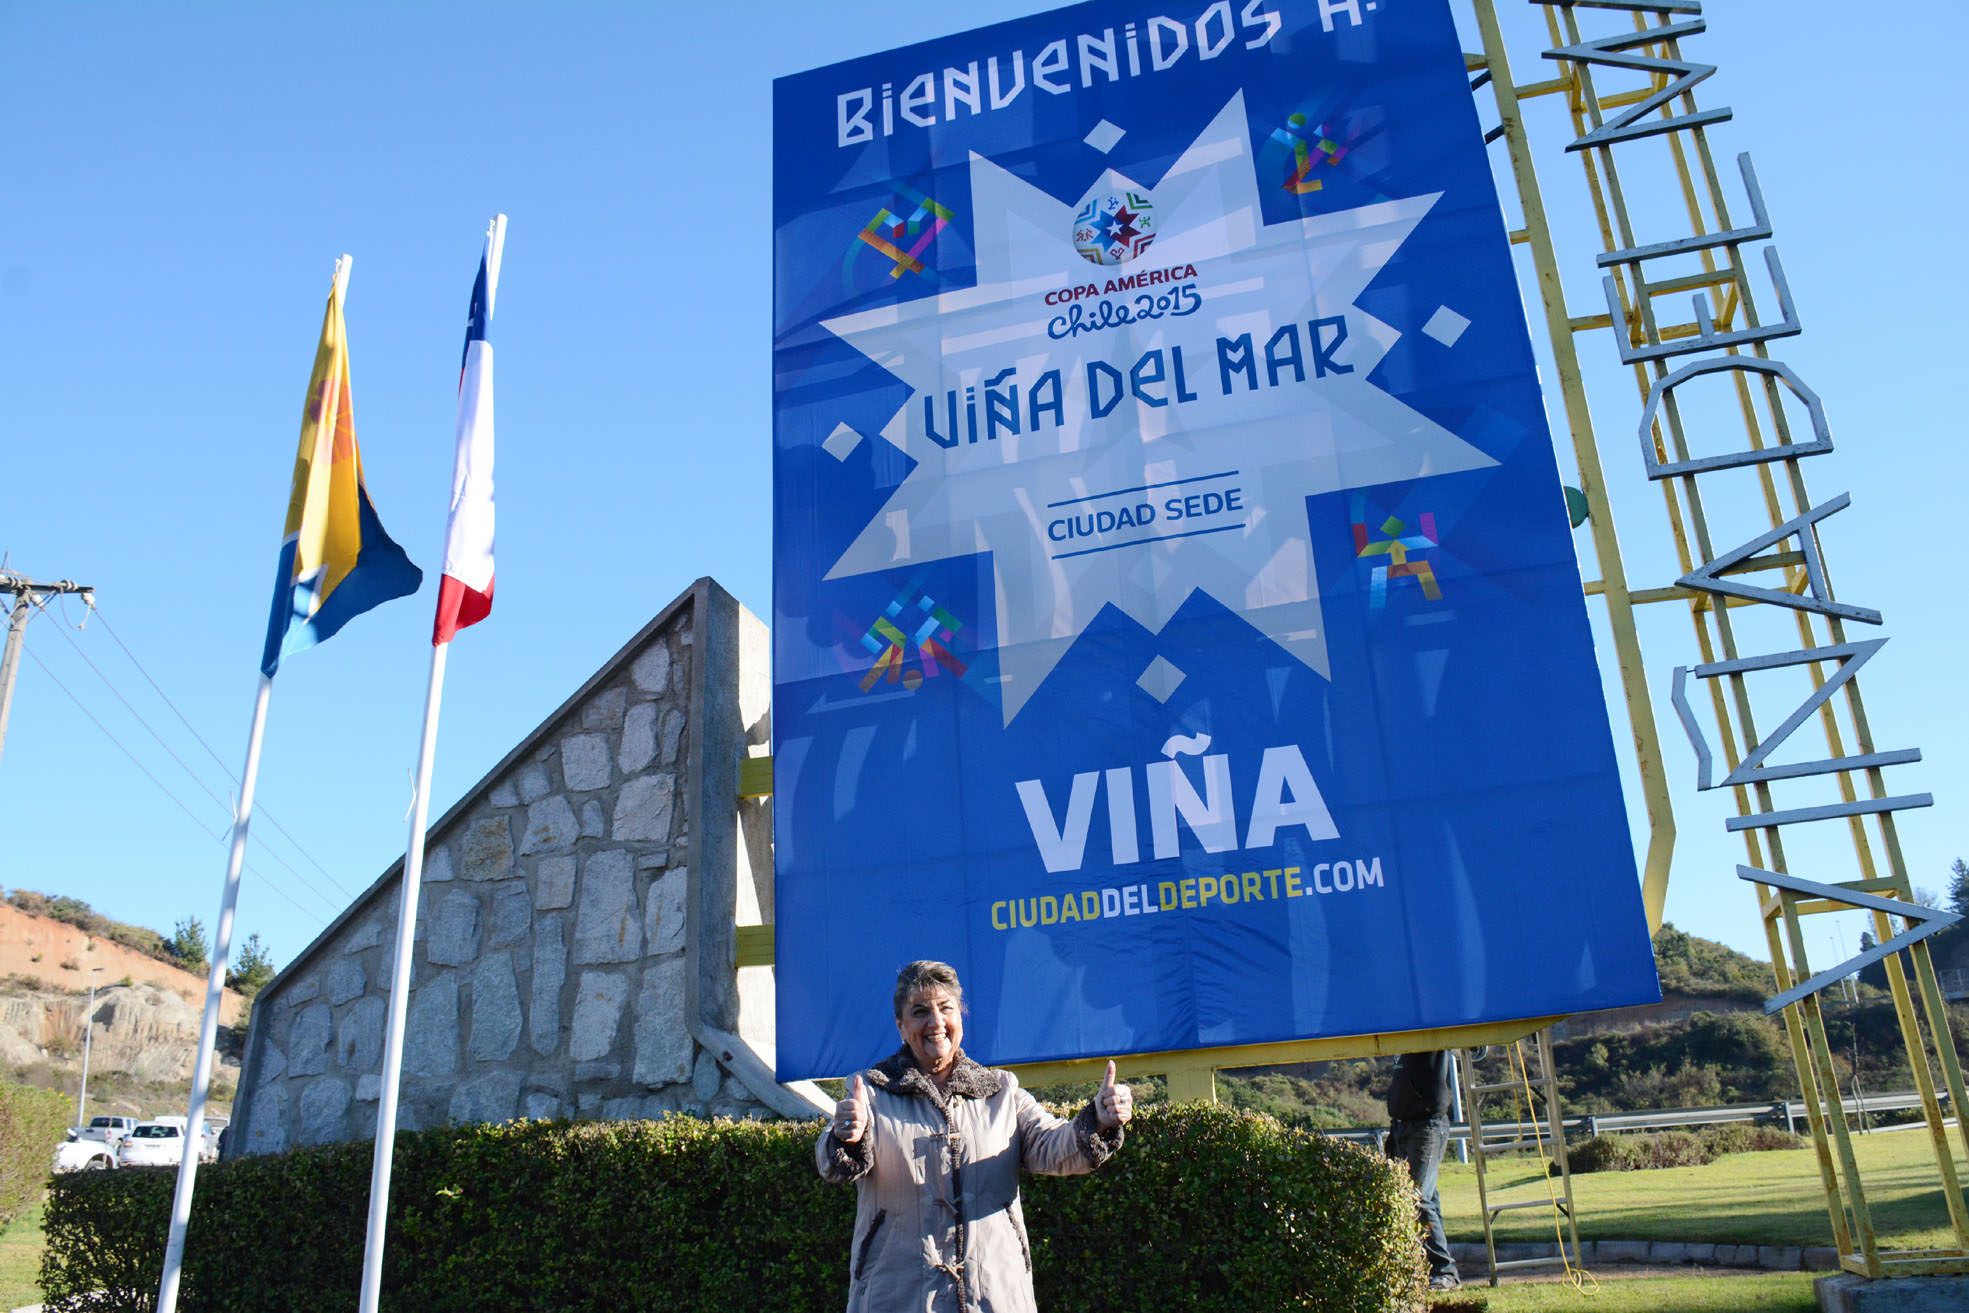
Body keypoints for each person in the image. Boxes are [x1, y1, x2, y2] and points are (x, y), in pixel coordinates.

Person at [815, 960, 1132, 1312]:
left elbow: (1055, 1146)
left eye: (945, 1008)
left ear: (961, 1017)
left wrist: (1098, 1122)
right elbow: (832, 1163)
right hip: (895, 1297)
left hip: (995, 1296)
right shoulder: (871, 1093)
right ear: (901, 1027)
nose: (935, 1023)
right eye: (920, 1012)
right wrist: (847, 1136)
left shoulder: (1001, 1092)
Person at [1385, 1049, 1460, 1291]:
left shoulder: (1430, 1026)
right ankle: (1424, 1267)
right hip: (1403, 1124)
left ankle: (1444, 1270)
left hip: (1427, 1124)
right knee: (1424, 1199)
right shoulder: (1399, 1033)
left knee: (1417, 1198)